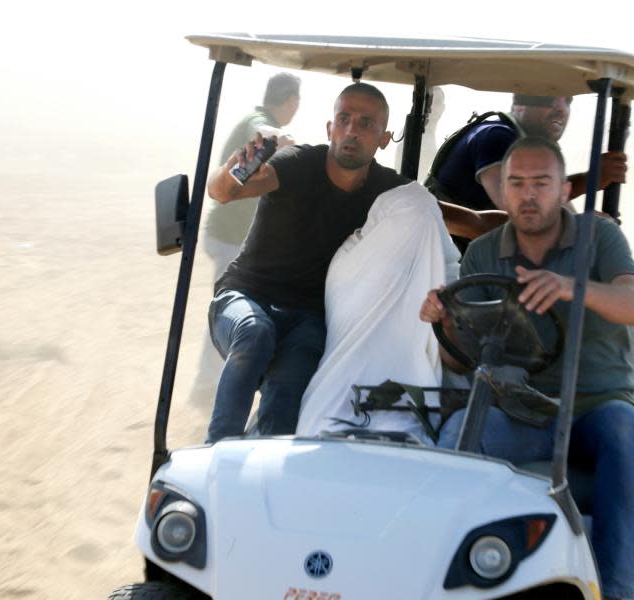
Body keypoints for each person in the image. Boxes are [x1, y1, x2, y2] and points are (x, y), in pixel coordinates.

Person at [420, 137, 634, 600]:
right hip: (522, 409)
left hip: (596, 407)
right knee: (457, 434)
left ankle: (618, 591)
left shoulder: (599, 237)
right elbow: (460, 359)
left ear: (565, 190)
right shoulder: (484, 253)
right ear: (502, 192)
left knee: (625, 433)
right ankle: (439, 580)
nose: (529, 195)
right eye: (517, 184)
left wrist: (570, 287)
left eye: (541, 183)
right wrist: (444, 324)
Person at [203, 82, 405, 442]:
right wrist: (238, 167)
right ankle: (217, 451)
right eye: (343, 119)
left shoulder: (387, 190)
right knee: (254, 333)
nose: (351, 131)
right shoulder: (297, 164)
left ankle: (264, 471)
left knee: (290, 387)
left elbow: (435, 212)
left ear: (384, 138)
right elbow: (222, 191)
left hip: (307, 318)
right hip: (245, 297)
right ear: (329, 128)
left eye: (365, 124)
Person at [295, 180, 461, 443]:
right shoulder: (350, 262)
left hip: (402, 403)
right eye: (400, 225)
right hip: (341, 392)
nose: (405, 235)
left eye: (419, 227)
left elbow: (460, 355)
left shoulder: (444, 273)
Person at [191, 72, 302, 406]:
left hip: (230, 235)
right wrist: (282, 138)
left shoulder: (255, 119)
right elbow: (264, 132)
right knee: (233, 316)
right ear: (291, 102)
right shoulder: (260, 122)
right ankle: (208, 389)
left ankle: (212, 385)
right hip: (231, 238)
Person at [428, 94, 628, 212]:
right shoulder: (495, 136)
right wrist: (589, 181)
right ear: (520, 103)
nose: (561, 109)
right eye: (549, 99)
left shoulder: (526, 146)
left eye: (567, 101)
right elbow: (517, 209)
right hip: (449, 269)